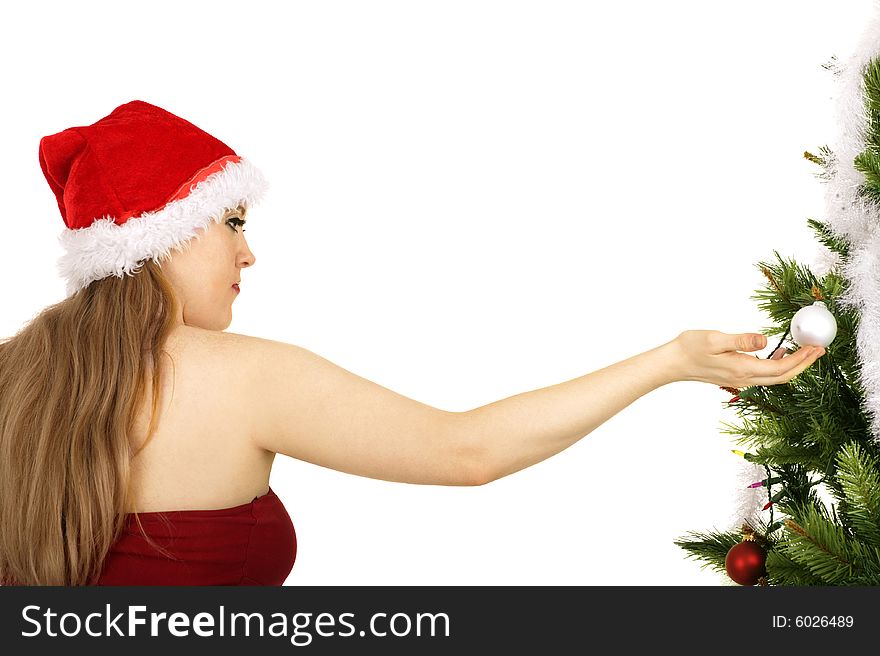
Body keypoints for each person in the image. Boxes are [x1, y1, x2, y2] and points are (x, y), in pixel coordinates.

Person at [0, 100, 825, 587]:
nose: (249, 252)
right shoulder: (240, 377)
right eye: (233, 222)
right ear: (164, 233)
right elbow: (467, 451)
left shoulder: (14, 379)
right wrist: (670, 362)